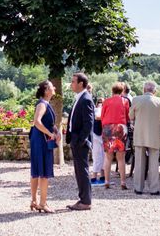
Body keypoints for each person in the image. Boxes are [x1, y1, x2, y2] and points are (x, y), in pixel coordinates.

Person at [129, 81, 160, 195]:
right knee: (154, 163)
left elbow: (131, 116)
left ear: (143, 90)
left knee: (139, 162)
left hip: (140, 134)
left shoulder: (136, 99)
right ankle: (154, 189)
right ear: (155, 91)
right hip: (154, 134)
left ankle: (138, 188)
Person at [29, 80, 60, 214]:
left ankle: (34, 201)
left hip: (38, 139)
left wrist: (56, 131)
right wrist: (50, 134)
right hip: (42, 140)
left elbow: (48, 122)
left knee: (37, 170)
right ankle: (42, 203)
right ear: (47, 90)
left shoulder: (45, 103)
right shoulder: (42, 104)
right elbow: (37, 122)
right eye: (52, 86)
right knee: (44, 173)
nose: (54, 87)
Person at [65, 72, 94, 211]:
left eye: (73, 81)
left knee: (82, 171)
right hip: (76, 140)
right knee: (80, 171)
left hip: (80, 142)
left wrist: (80, 140)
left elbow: (88, 124)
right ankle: (83, 199)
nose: (71, 84)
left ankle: (85, 201)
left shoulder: (86, 99)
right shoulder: (81, 97)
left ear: (81, 84)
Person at [101, 82, 130, 190]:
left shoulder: (106, 101)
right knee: (121, 157)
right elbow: (127, 117)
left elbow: (103, 116)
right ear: (122, 91)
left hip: (108, 128)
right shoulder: (125, 101)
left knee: (108, 157)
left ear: (112, 90)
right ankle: (122, 182)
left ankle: (107, 181)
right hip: (121, 128)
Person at [91, 96, 105, 185]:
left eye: (102, 102)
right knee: (96, 156)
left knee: (104, 157)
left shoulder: (104, 110)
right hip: (96, 135)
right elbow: (97, 117)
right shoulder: (95, 110)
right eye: (99, 102)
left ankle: (103, 176)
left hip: (103, 135)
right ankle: (94, 177)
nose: (100, 103)